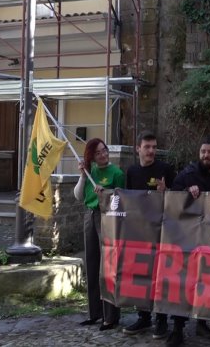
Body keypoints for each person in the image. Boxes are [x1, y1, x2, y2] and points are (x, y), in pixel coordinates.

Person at [168, 136, 210, 347]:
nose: (206, 155)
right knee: (183, 282)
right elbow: (172, 196)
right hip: (189, 238)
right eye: (203, 151)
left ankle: (202, 323)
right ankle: (177, 328)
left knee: (207, 282)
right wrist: (187, 192)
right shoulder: (188, 173)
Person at [122, 131, 175, 340]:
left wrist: (166, 191)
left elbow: (179, 198)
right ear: (138, 149)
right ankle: (143, 316)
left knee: (161, 275)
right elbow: (126, 200)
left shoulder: (165, 169)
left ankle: (161, 319)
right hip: (138, 234)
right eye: (147, 147)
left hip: (162, 233)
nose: (151, 151)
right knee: (141, 274)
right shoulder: (132, 172)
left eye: (154, 147)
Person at [73, 138, 124, 331]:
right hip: (89, 215)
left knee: (108, 266)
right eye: (97, 153)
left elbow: (121, 201)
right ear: (91, 156)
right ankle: (95, 313)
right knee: (92, 264)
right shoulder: (90, 172)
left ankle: (111, 316)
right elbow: (79, 196)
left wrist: (107, 194)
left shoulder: (117, 173)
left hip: (107, 218)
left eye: (104, 151)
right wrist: (82, 176)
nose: (103, 155)